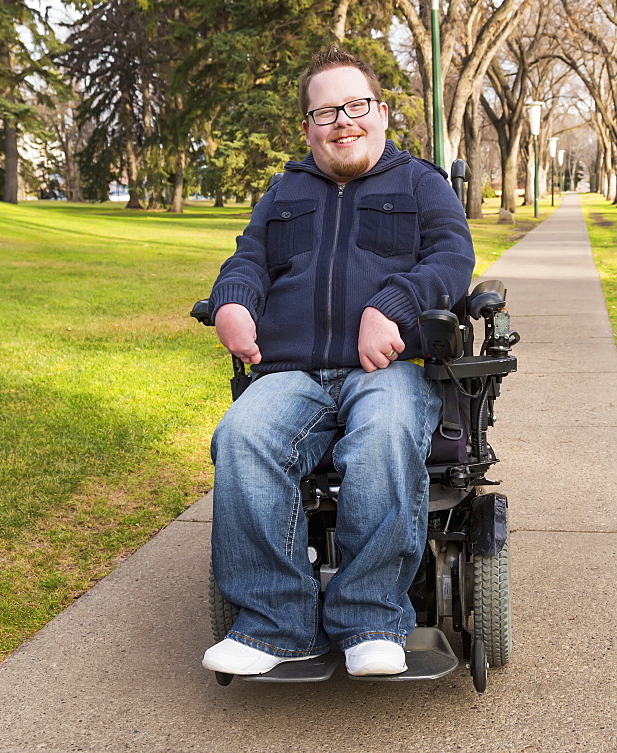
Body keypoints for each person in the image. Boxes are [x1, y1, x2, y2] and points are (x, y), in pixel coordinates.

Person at [203, 44, 475, 677]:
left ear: (380, 112)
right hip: (290, 369)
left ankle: (371, 620)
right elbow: (248, 259)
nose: (343, 121)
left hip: (387, 370)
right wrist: (233, 301)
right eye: (326, 112)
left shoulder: (420, 183)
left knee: (383, 434)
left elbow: (451, 260)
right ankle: (275, 626)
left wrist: (395, 304)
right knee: (242, 435)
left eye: (355, 105)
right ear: (308, 128)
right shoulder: (285, 190)